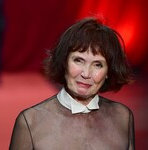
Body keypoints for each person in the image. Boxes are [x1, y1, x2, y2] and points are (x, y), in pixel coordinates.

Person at [9, 16, 135, 150]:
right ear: (64, 62)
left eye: (97, 65)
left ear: (108, 71)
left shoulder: (123, 117)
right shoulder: (31, 122)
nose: (86, 74)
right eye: (78, 60)